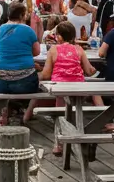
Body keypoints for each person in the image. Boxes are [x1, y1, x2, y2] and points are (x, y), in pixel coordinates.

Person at [40, 21, 101, 155]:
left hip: (60, 88)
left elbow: (46, 74)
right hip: (78, 88)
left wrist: (37, 73)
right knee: (78, 107)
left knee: (60, 112)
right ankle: (80, 134)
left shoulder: (53, 50)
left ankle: (58, 144)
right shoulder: (79, 49)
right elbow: (89, 70)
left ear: (59, 37)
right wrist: (94, 69)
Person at [0, 2, 41, 124]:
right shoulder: (28, 30)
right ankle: (20, 111)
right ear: (22, 15)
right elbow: (36, 52)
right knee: (38, 83)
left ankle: (7, 111)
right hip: (25, 82)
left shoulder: (1, 29)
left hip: (1, 81)